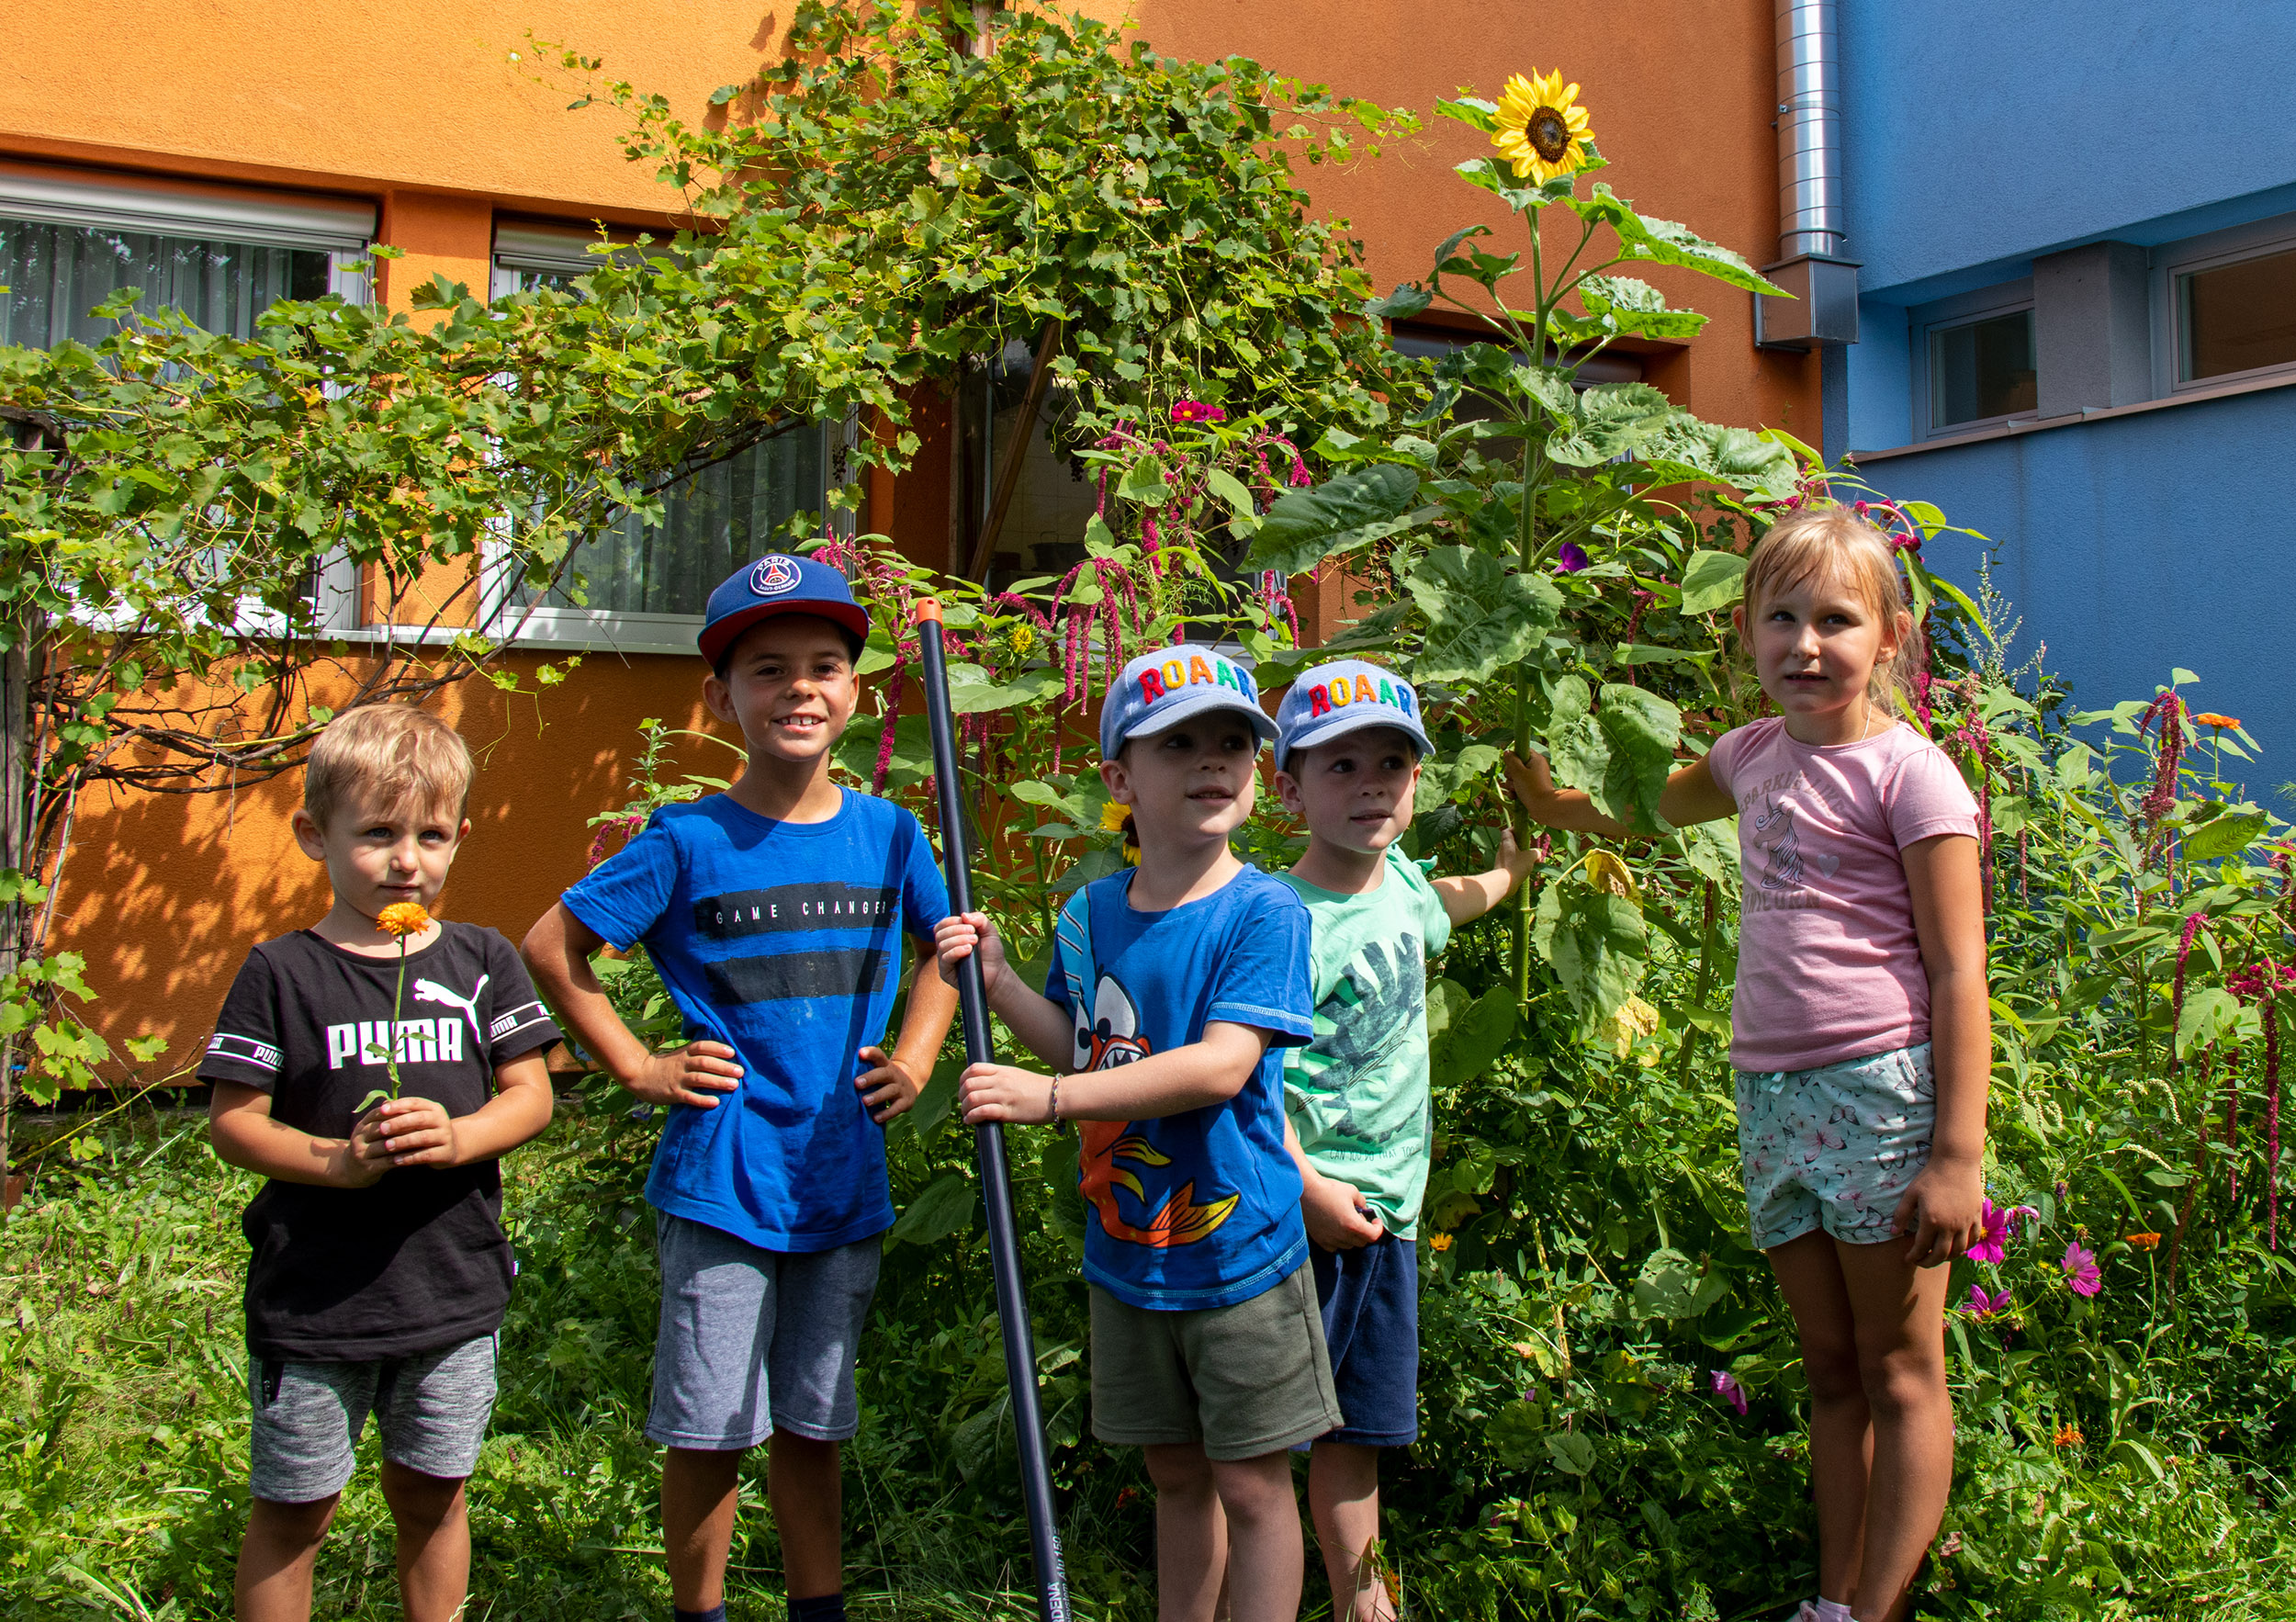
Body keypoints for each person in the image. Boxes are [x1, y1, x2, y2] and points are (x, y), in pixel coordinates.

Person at [1503, 504, 1988, 1622]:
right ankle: (1833, 1597)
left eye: (1835, 619)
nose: (1805, 644)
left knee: (1900, 1368)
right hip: (1771, 1093)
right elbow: (1644, 811)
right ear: (1746, 634)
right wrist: (1543, 798)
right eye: (1781, 618)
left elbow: (1960, 972)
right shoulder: (1747, 755)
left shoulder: (1911, 778)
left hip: (1878, 1093)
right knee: (1828, 1366)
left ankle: (1877, 1609)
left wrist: (1957, 1152)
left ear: (1890, 639)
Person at [521, 553, 959, 1622]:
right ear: (721, 696)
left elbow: (947, 949)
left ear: (856, 689)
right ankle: (700, 1612)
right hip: (723, 1178)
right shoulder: (684, 840)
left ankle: (819, 1606)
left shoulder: (891, 833)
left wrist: (914, 1057)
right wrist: (637, 1063)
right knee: (711, 1427)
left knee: (816, 1422)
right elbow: (551, 943)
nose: (798, 689)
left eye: (822, 666)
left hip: (839, 1176)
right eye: (767, 670)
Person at [935, 645, 1335, 1622]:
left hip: (1239, 1250)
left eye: (1233, 742)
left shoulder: (1263, 909)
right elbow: (1088, 1047)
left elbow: (1219, 1065)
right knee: (1174, 1471)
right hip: (1129, 1247)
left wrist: (1051, 1100)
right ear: (1119, 777)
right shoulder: (1090, 912)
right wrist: (999, 985)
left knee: (1251, 1481)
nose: (1212, 761)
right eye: (1179, 743)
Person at [203, 704, 561, 1622]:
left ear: (459, 836)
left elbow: (531, 1093)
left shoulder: (483, 959)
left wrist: (460, 1134)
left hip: (450, 1288)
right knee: (296, 1508)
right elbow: (235, 1122)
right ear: (313, 836)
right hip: (317, 1298)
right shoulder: (281, 972)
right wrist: (334, 1158)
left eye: (431, 834)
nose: (408, 859)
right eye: (377, 833)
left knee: (431, 1494)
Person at [1267, 659, 1537, 1619]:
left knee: (1357, 1429)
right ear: (1288, 786)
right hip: (1295, 1211)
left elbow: (1455, 900)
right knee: (1260, 1438)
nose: (1371, 783)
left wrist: (1511, 871)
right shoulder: (1276, 919)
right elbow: (1241, 1077)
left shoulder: (1405, 891)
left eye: (1391, 762)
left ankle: (1361, 1602)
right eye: (1340, 766)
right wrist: (1302, 1187)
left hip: (1388, 1213)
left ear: (1416, 784)